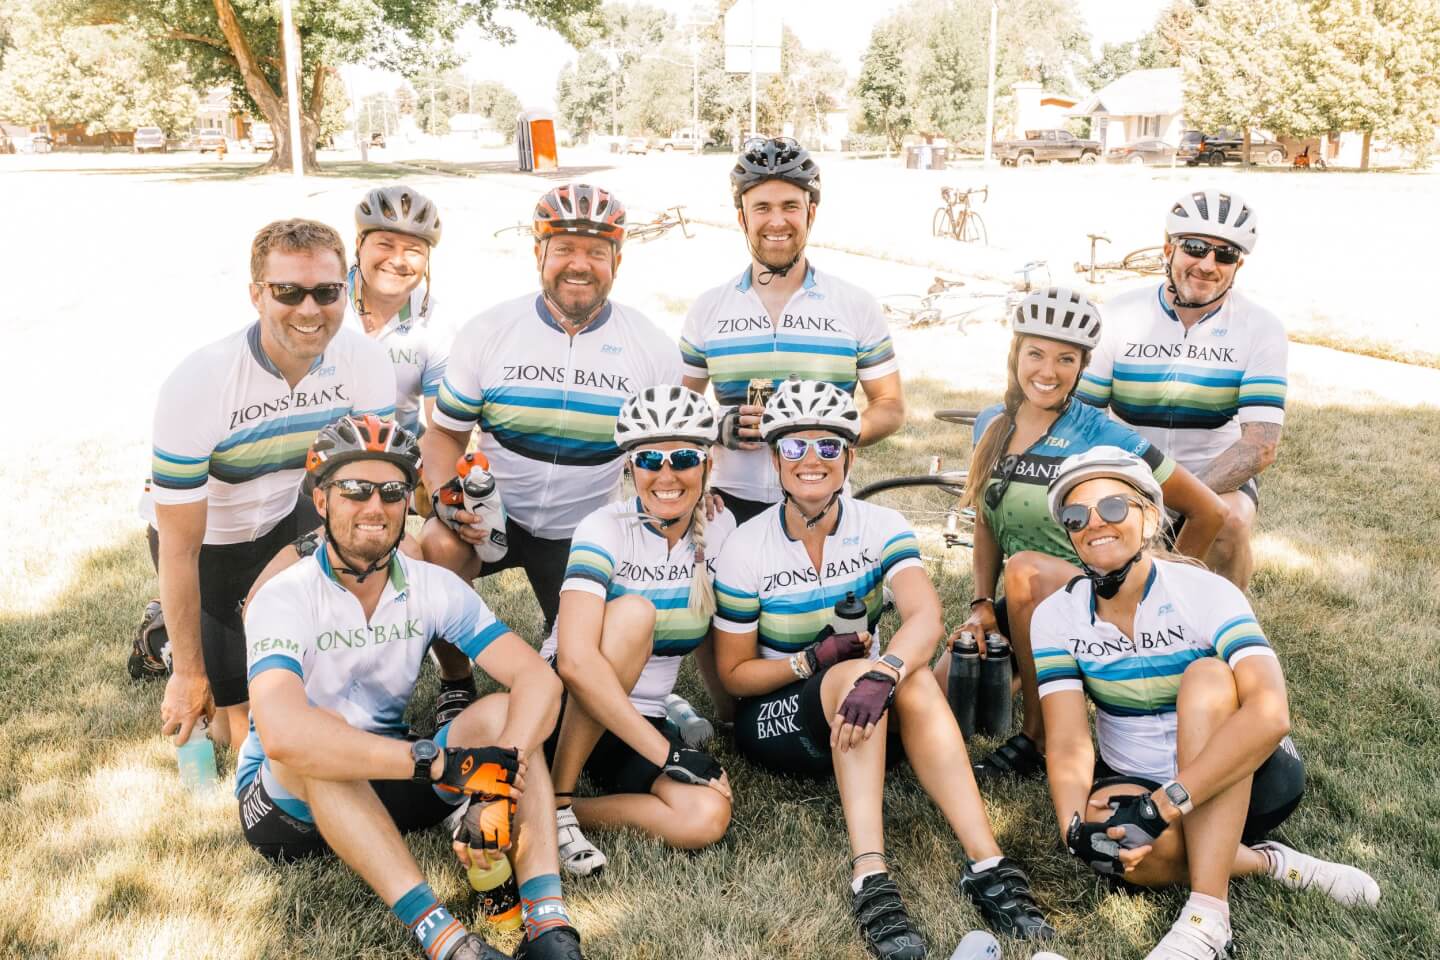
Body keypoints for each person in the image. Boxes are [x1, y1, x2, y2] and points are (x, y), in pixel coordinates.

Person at [713, 380, 1054, 958]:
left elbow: (925, 615)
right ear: (774, 460)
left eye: (828, 446)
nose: (812, 459)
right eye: (794, 446)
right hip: (778, 720)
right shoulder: (747, 546)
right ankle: (870, 875)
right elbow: (734, 676)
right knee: (859, 673)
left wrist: (886, 670)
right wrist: (809, 660)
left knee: (907, 673)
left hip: (867, 711)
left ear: (849, 456)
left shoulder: (880, 523)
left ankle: (987, 861)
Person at [239, 414, 585, 960]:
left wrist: (496, 782)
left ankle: (549, 925)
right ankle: (446, 941)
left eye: (392, 492)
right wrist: (442, 764)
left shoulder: (432, 585)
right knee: (321, 734)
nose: (375, 507)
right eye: (355, 490)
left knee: (505, 711)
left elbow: (538, 679)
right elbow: (283, 734)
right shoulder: (284, 596)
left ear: (409, 503)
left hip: (393, 775)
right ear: (322, 500)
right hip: (288, 804)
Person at [1034, 447, 1379, 960]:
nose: (1094, 524)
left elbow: (1270, 713)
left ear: (1150, 517)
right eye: (1076, 516)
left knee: (1209, 677)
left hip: (1243, 774)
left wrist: (1161, 806)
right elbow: (1066, 741)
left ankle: (1207, 919)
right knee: (1122, 852)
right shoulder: (1054, 617)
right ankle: (1268, 863)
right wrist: (1074, 831)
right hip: (1137, 777)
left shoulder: (1203, 591)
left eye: (1112, 507)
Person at [939, 287, 1227, 781]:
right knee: (932, 697)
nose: (1047, 371)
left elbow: (1208, 511)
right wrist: (981, 605)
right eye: (1035, 353)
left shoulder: (1102, 433)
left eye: (1065, 359)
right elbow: (986, 520)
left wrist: (1162, 593)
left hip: (1092, 594)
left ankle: (1037, 738)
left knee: (1025, 570)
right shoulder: (991, 422)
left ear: (1082, 367)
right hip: (1024, 602)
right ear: (1015, 354)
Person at [420, 184, 681, 711]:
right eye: (564, 248)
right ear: (538, 252)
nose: (579, 264)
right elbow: (444, 433)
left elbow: (670, 452)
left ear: (617, 261)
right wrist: (446, 496)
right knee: (435, 547)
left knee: (575, 682)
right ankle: (456, 681)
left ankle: (566, 650)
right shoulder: (490, 330)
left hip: (584, 529)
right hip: (494, 514)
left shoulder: (651, 346)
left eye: (596, 252)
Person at [141, 218, 396, 751]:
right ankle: (164, 638)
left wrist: (295, 556)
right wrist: (189, 673)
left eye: (326, 292)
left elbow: (371, 490)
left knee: (306, 697)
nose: (310, 309)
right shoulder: (200, 381)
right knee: (237, 736)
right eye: (288, 292)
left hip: (286, 520)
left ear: (346, 290)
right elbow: (180, 548)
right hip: (209, 542)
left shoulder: (364, 362)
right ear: (257, 294)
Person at [542, 386, 735, 877]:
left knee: (706, 815)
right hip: (563, 706)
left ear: (707, 463)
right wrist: (667, 754)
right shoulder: (604, 526)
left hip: (636, 718)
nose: (666, 476)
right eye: (650, 459)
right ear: (631, 466)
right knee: (633, 616)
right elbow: (575, 661)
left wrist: (730, 716)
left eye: (684, 459)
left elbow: (716, 630)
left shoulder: (721, 527)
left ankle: (551, 810)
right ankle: (558, 800)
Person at [680, 137, 905, 524]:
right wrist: (718, 428)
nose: (777, 221)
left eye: (790, 206)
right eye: (762, 207)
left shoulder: (854, 304)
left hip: (823, 501)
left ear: (810, 213)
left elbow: (891, 406)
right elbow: (679, 411)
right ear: (742, 218)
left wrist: (832, 430)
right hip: (730, 506)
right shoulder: (708, 308)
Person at [1078, 189, 1286, 590]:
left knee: (1230, 519)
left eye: (1224, 255)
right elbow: (1084, 416)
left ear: (1238, 265)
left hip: (1216, 472)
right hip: (1127, 469)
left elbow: (1260, 445)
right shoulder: (1120, 314)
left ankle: (1229, 621)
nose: (1207, 264)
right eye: (1194, 248)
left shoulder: (1260, 327)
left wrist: (1177, 502)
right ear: (1168, 249)